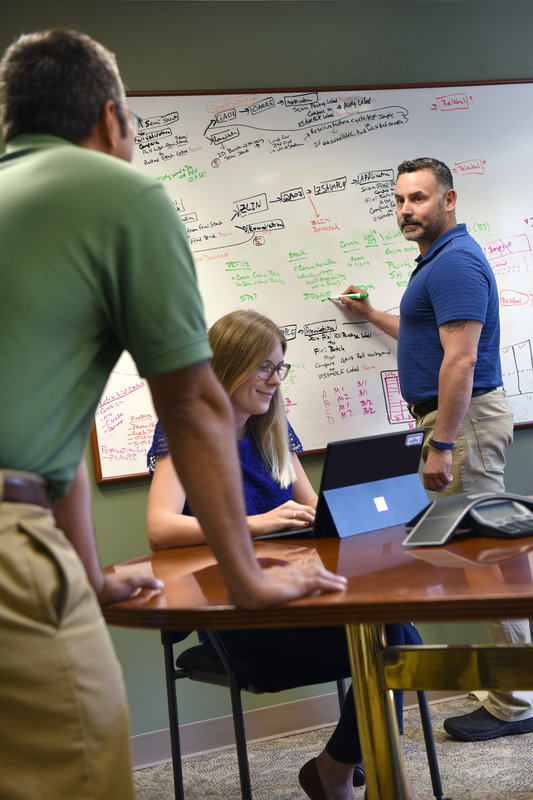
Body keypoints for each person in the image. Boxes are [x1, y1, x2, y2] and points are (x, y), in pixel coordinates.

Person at [0, 30, 345, 800]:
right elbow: (190, 402)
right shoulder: (118, 193)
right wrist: (247, 578)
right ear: (110, 118)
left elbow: (50, 442)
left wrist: (86, 575)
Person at [146, 309, 420, 800]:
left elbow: (312, 504)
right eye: (264, 367)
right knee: (395, 637)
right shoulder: (184, 429)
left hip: (299, 594)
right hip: (237, 610)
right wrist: (258, 524)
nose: (275, 380)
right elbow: (160, 527)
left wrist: (344, 512)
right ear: (228, 365)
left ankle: (340, 768)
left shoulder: (271, 426)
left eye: (280, 367)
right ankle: (343, 773)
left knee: (396, 632)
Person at [340, 156, 533, 743]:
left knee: (490, 563)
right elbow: (431, 337)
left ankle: (517, 701)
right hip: (460, 422)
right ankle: (515, 686)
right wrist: (374, 315)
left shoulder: (453, 265)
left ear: (449, 200)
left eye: (418, 199)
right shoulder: (439, 263)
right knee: (480, 561)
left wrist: (442, 442)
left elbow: (462, 360)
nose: (406, 211)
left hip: (464, 423)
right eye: (400, 200)